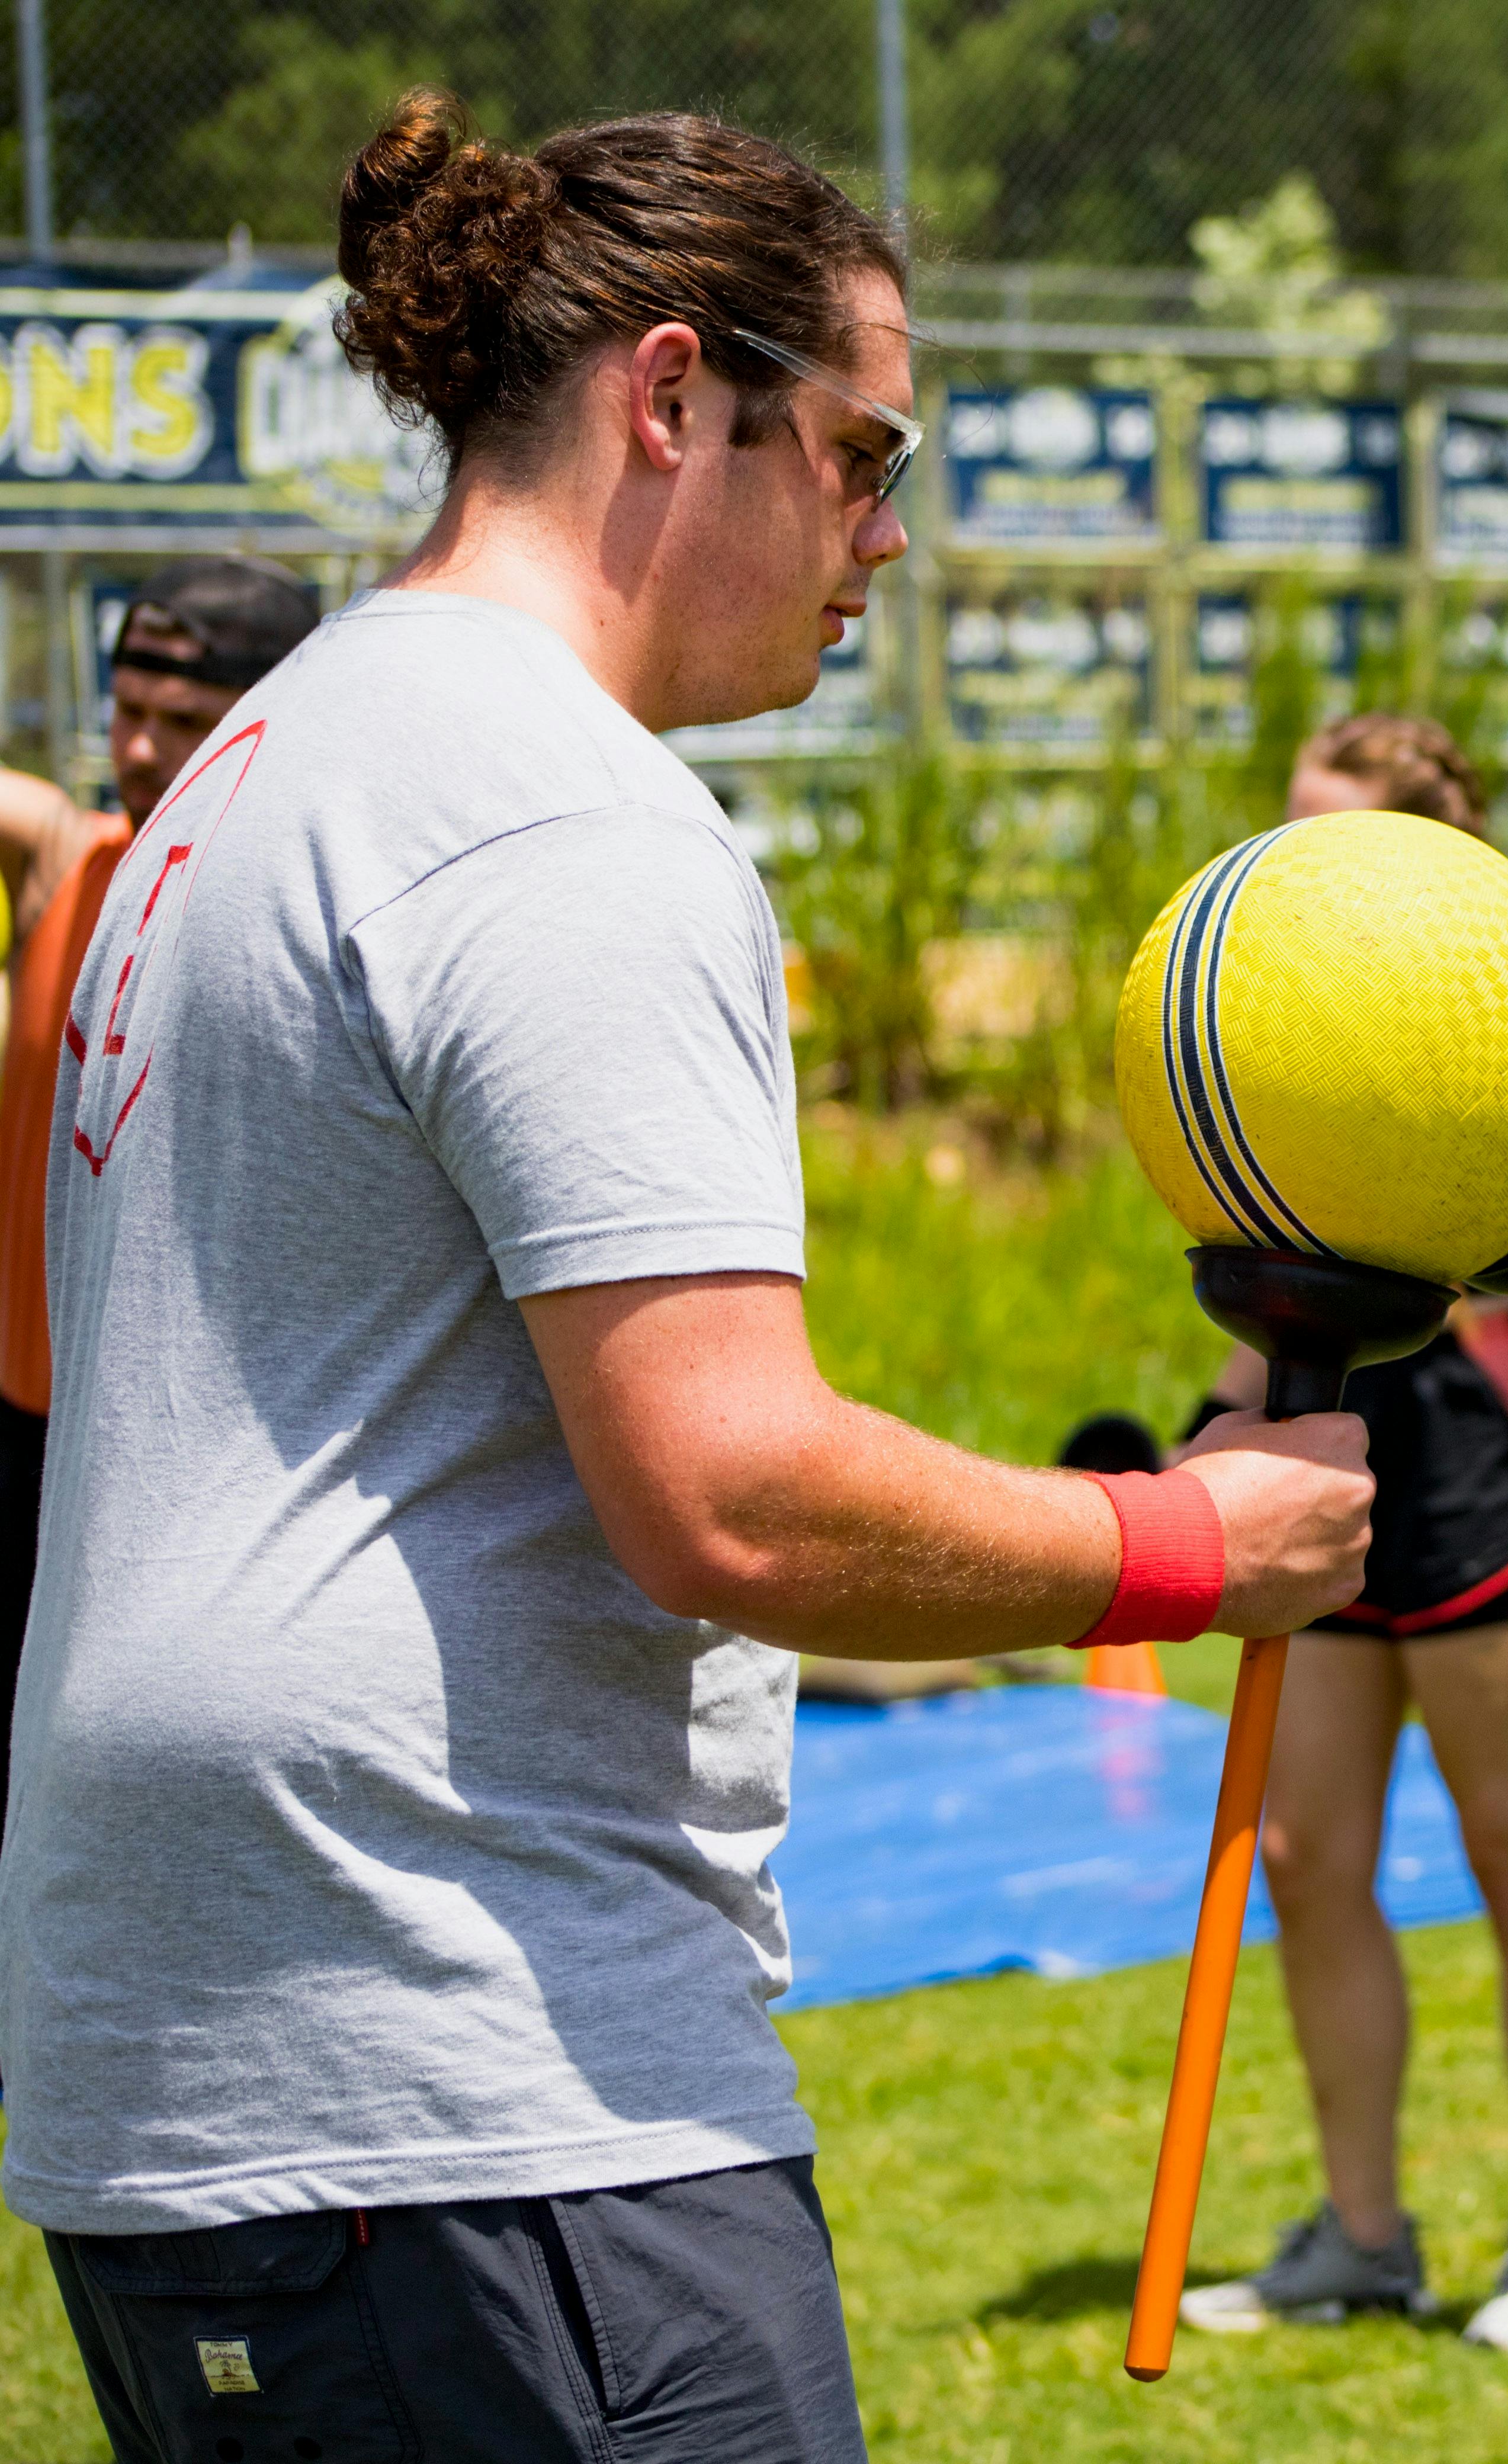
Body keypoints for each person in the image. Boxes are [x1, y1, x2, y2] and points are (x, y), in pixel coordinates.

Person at [0, 96, 1374, 2462]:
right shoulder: (558, 808)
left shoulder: (263, 758)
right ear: (670, 397)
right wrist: (1190, 1545)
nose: (887, 534)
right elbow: (725, 1492)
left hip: (186, 2062)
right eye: (858, 450)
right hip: (471, 2071)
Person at [1165, 712, 1508, 2359]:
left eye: (1330, 842)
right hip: (1315, 1452)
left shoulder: (1498, 1028)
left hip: (1476, 1478)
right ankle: (1365, 2236)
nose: (1288, 875)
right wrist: (1203, 1452)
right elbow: (1283, 1283)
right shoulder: (1272, 1017)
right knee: (1308, 1863)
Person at [0, 558, 320, 1850]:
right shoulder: (73, 868)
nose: (137, 750)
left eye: (181, 724)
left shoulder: (294, 921)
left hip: (161, 1465)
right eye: (125, 709)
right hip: (19, 1426)